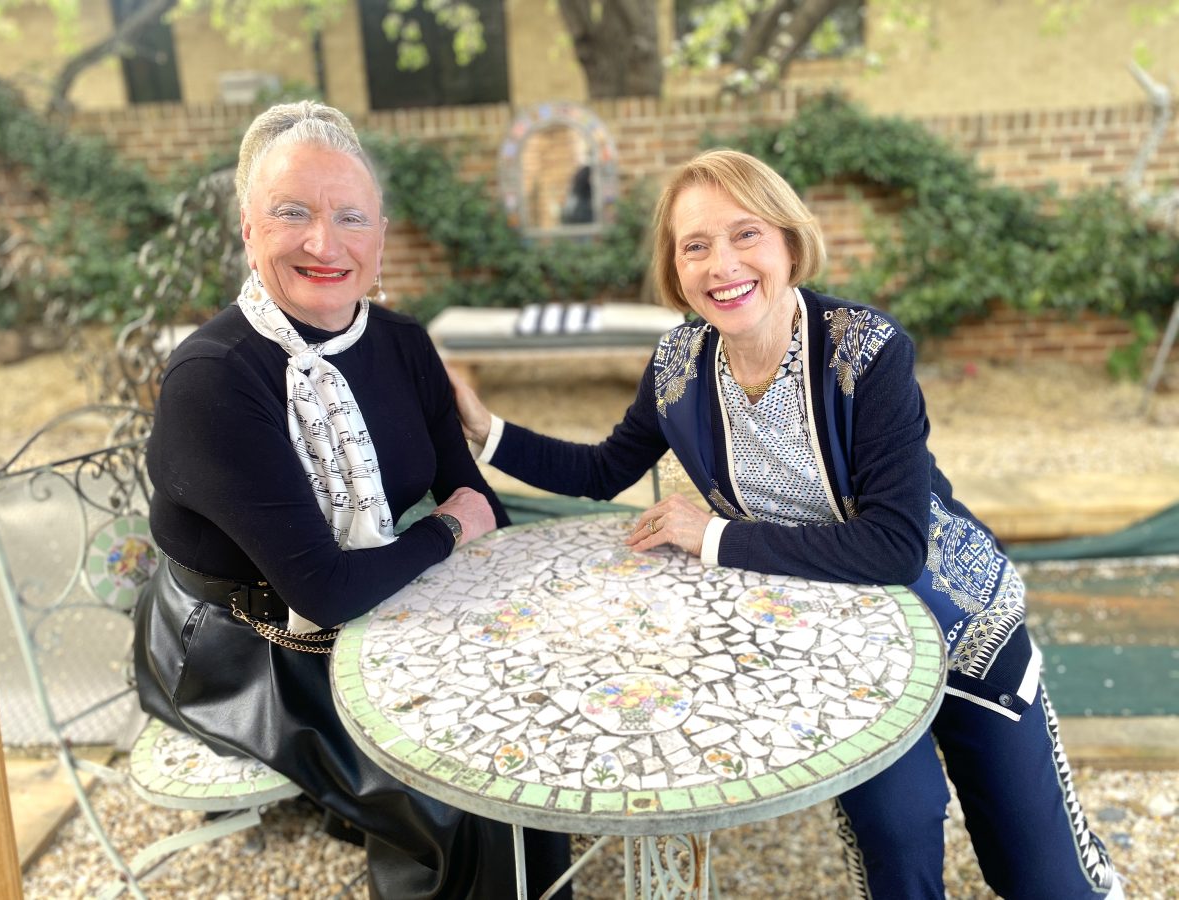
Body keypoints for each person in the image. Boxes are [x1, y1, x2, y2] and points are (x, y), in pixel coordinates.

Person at [449, 149, 1121, 900]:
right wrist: (486, 429)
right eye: (694, 245)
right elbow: (604, 470)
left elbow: (896, 547)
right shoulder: (678, 364)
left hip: (961, 621)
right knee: (898, 836)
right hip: (842, 654)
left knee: (1040, 873)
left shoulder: (866, 352)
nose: (721, 263)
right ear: (675, 269)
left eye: (746, 235)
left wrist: (710, 536)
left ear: (790, 244)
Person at [133, 100, 572, 900]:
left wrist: (506, 620)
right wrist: (446, 531)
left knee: (527, 718)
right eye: (291, 213)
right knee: (447, 778)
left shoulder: (402, 342)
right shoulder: (214, 379)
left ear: (380, 237)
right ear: (248, 228)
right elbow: (327, 589)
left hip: (361, 591)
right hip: (246, 645)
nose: (323, 243)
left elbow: (475, 497)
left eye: (350, 218)